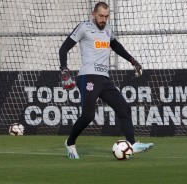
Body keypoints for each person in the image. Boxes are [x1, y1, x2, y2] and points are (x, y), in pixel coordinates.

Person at [59, 2, 154, 159]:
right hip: (88, 77)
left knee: (124, 109)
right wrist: (64, 68)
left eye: (106, 16)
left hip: (104, 79)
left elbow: (116, 46)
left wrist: (133, 61)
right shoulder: (84, 27)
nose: (103, 19)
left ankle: (131, 144)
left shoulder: (108, 30)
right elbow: (63, 49)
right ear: (93, 14)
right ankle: (70, 143)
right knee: (88, 116)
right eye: (101, 16)